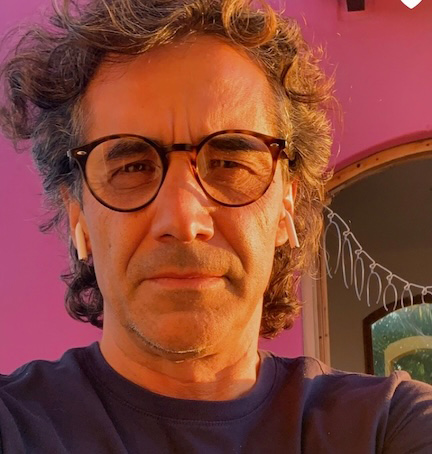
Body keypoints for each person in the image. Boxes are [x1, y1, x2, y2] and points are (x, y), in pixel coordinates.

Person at [0, 0, 431, 452]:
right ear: (77, 215)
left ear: (286, 204)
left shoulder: (389, 425)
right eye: (131, 167)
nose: (184, 221)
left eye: (229, 163)